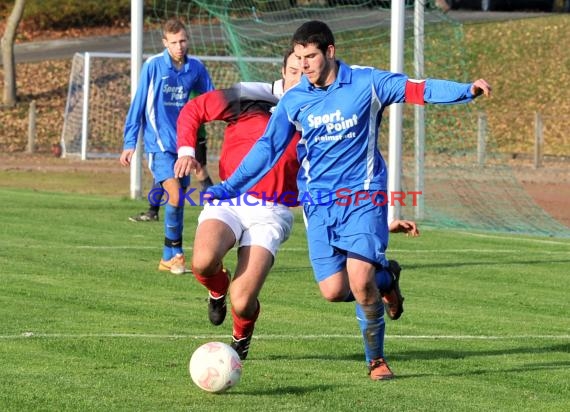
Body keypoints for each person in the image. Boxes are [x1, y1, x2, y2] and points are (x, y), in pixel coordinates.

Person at [205, 20, 491, 380]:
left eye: (310, 57)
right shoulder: (295, 99)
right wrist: (230, 187)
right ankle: (387, 279)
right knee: (334, 290)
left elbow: (417, 89)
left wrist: (467, 90)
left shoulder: (367, 83)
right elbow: (267, 149)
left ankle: (376, 360)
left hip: (363, 198)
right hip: (319, 204)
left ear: (330, 52)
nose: (304, 65)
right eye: (298, 58)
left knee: (359, 281)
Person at [173, 49, 302, 360]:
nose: (300, 77)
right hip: (229, 199)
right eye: (294, 70)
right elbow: (195, 109)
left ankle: (241, 337)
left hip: (272, 211)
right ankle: (216, 290)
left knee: (243, 301)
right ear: (282, 72)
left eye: (306, 71)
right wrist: (186, 151)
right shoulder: (251, 95)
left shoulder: (320, 110)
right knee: (202, 263)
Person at [120, 18, 215, 274]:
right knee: (174, 195)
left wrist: (228, 114)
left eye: (183, 40)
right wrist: (130, 142)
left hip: (184, 145)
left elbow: (211, 97)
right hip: (157, 144)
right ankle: (179, 254)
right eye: (174, 42)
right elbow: (138, 104)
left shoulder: (194, 68)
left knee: (179, 201)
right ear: (165, 42)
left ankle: (167, 255)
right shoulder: (153, 66)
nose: (179, 46)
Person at [128, 136, 214, 222]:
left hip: (194, 138)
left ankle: (214, 205)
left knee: (200, 172)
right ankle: (153, 211)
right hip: (174, 141)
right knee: (163, 173)